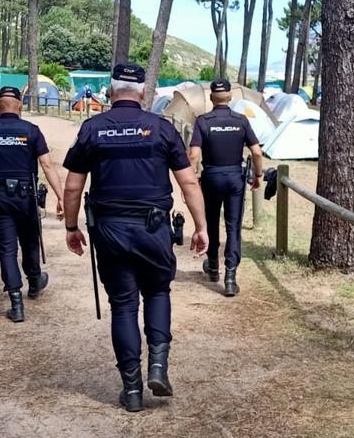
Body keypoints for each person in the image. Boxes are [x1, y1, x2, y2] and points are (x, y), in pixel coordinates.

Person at [62, 63, 209, 413]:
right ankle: (158, 366)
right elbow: (188, 182)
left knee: (124, 305)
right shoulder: (161, 128)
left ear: (110, 91)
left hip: (109, 230)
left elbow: (72, 186)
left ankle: (131, 390)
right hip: (153, 228)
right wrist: (201, 226)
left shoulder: (92, 128)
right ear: (143, 92)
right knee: (157, 291)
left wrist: (71, 227)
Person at [0, 86, 66, 323]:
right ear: (20, 106)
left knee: (7, 249)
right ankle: (34, 283)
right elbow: (47, 165)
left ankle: (16, 303)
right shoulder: (31, 131)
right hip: (26, 197)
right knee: (30, 240)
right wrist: (61, 196)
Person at [188, 79, 264, 297]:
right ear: (230, 97)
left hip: (211, 177)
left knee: (211, 221)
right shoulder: (240, 121)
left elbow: (194, 155)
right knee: (233, 227)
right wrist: (257, 175)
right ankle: (230, 277)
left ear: (211, 97)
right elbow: (257, 153)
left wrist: (192, 180)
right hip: (234, 178)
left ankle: (213, 265)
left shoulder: (203, 121)